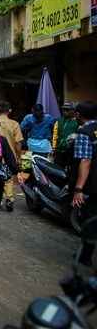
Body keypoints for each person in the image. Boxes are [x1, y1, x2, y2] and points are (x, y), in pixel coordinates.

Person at [69, 102, 97, 266]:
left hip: (92, 186)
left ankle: (86, 256)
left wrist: (78, 189)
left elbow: (85, 161)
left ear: (78, 115)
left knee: (90, 220)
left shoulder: (84, 133)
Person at [0, 101, 23, 211]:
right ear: (10, 111)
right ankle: (9, 198)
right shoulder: (14, 124)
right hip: (9, 156)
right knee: (8, 177)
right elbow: (18, 142)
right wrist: (18, 156)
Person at [51, 102, 78, 170]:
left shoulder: (77, 122)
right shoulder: (59, 121)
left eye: (67, 110)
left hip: (71, 151)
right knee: (57, 169)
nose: (65, 112)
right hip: (59, 150)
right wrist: (54, 148)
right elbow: (55, 135)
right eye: (63, 110)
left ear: (73, 111)